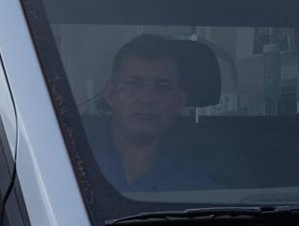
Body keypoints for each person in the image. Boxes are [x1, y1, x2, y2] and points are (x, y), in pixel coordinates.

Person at [88, 34, 216, 190]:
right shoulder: (69, 160)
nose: (147, 99)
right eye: (134, 83)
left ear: (180, 102)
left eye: (163, 86)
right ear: (110, 94)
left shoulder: (197, 189)